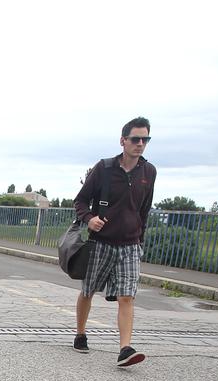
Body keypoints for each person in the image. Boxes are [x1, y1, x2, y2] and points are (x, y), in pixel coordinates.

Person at [72, 117, 156, 367]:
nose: (140, 144)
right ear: (123, 141)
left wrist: (140, 239)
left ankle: (125, 349)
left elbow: (145, 209)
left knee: (126, 297)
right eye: (135, 139)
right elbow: (80, 201)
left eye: (145, 139)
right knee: (88, 291)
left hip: (130, 245)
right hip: (102, 242)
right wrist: (89, 219)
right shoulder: (104, 169)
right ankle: (80, 334)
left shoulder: (148, 172)